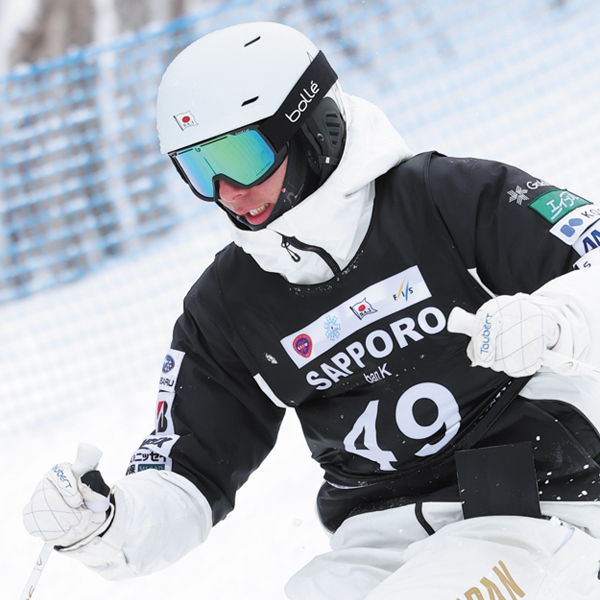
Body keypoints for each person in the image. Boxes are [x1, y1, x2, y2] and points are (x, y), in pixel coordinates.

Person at [23, 21, 600, 600]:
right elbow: (187, 473)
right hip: (374, 544)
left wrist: (557, 320)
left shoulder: (448, 199)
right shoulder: (229, 305)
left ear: (312, 127)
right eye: (200, 168)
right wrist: (108, 522)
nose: (227, 191)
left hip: (532, 505)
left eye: (240, 156)